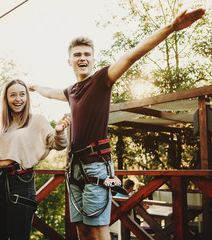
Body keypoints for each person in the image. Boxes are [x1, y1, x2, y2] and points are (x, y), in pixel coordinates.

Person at [28, 8, 205, 240]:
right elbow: (50, 92)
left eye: (87, 54)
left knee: (98, 231)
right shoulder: (71, 91)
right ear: (69, 60)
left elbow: (132, 55)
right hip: (74, 168)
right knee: (82, 229)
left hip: (96, 166)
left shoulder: (102, 79)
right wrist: (32, 87)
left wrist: (171, 28)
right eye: (78, 54)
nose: (82, 58)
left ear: (93, 59)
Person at [0, 79, 70, 240]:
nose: (18, 99)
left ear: (27, 98)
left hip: (21, 182)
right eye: (13, 95)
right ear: (6, 99)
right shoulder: (6, 124)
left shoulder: (36, 120)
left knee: (19, 237)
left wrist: (58, 132)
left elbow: (58, 144)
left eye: (22, 94)